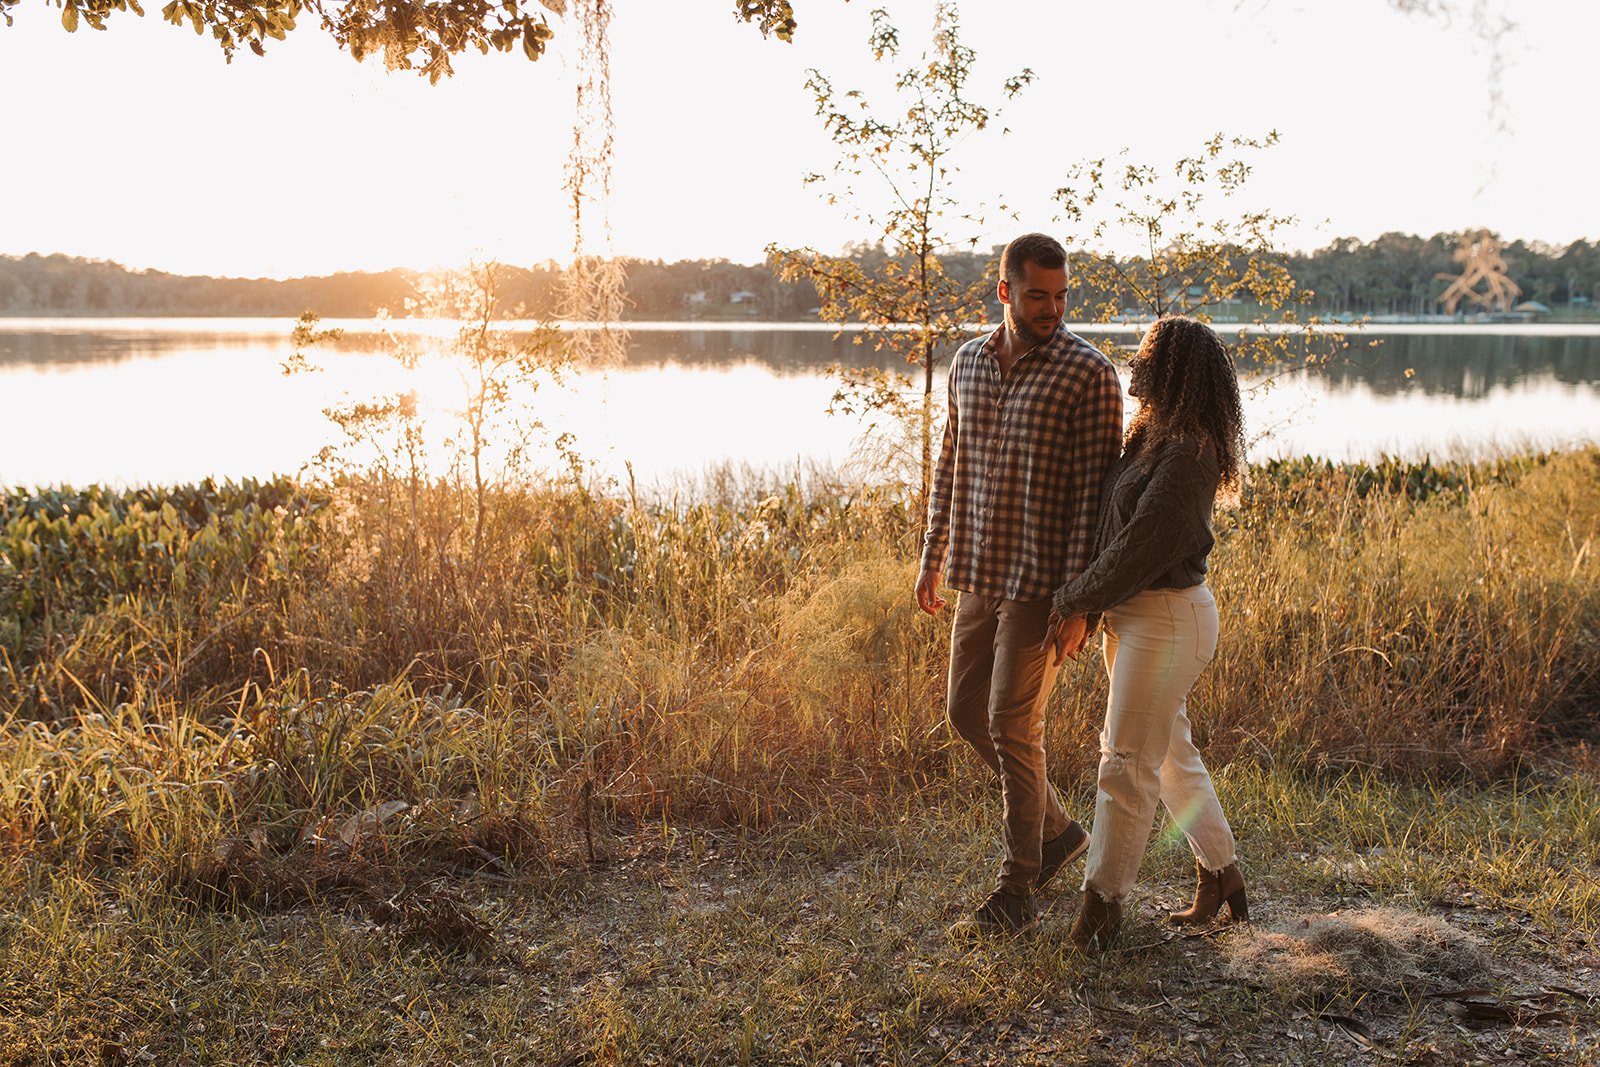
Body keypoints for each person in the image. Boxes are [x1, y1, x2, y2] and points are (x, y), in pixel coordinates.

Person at [917, 232, 1124, 938]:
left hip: (1044, 584)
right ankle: (1060, 832)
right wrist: (930, 553)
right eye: (1037, 295)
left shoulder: (1090, 374)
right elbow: (951, 461)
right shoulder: (968, 363)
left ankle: (1017, 888)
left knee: (1013, 724)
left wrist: (1081, 603)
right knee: (965, 714)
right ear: (1004, 290)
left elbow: (1097, 499)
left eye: (1062, 296)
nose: (1052, 309)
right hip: (978, 568)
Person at [1044, 314, 1249, 952]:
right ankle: (1224, 877)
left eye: (1143, 356)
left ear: (1172, 369)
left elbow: (1139, 548)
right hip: (1140, 617)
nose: (1132, 367)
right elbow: (1114, 535)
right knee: (1166, 756)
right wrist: (1091, 607)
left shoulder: (1188, 453)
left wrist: (1072, 600)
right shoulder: (1151, 437)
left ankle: (1100, 911)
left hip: (1167, 619)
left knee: (1125, 762)